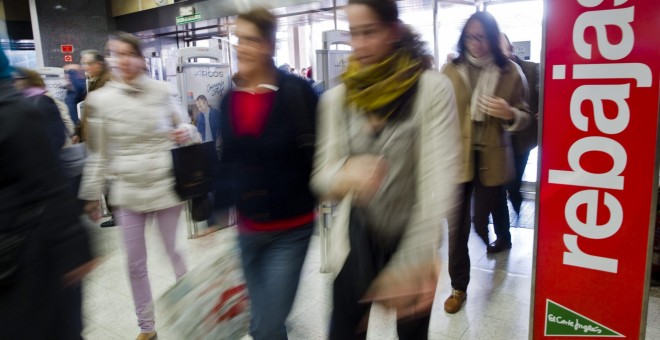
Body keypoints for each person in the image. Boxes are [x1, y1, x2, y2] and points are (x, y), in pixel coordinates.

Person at [310, 0, 461, 338]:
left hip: (414, 234)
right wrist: (346, 172)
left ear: (393, 31)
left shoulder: (430, 90)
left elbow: (437, 180)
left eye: (370, 32)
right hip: (356, 241)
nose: (360, 46)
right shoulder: (337, 100)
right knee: (344, 331)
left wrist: (411, 263)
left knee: (411, 333)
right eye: (354, 34)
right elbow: (320, 176)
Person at [78, 32, 199, 340]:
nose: (124, 60)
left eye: (129, 53)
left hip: (164, 186)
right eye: (116, 54)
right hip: (127, 191)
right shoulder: (101, 100)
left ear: (141, 58)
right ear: (111, 60)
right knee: (135, 263)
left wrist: (184, 131)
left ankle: (192, 311)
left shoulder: (161, 90)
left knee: (173, 252)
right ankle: (146, 327)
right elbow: (99, 153)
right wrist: (92, 195)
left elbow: (187, 125)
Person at [214, 8, 318, 340]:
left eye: (251, 40)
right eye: (239, 39)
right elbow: (229, 161)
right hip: (248, 231)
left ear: (270, 45)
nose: (242, 47)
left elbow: (318, 154)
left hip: (291, 230)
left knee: (266, 325)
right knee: (263, 320)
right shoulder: (230, 100)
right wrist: (216, 209)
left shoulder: (297, 93)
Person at [0, 48, 95, 340]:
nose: (70, 77)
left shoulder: (19, 112)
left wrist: (74, 248)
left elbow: (50, 180)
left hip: (26, 254)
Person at [441, 11, 530, 314]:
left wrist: (510, 114)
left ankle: (495, 236)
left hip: (492, 156)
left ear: (493, 38)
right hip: (457, 158)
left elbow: (526, 116)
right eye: (470, 37)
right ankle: (458, 287)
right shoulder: (451, 70)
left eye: (481, 37)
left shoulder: (511, 72)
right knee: (456, 230)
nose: (475, 44)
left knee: (480, 221)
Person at [500, 33, 539, 218]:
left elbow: (547, 91)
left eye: (502, 50)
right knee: (503, 183)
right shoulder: (494, 73)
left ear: (511, 49)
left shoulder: (532, 69)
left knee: (513, 182)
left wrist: (544, 109)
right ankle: (506, 227)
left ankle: (516, 200)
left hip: (524, 137)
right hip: (501, 138)